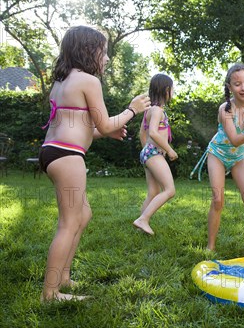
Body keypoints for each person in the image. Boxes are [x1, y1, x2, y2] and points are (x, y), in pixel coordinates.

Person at [39, 25, 150, 301]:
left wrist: (104, 133)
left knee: (82, 215)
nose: (107, 57)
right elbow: (104, 120)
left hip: (53, 152)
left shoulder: (62, 82)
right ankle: (50, 293)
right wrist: (131, 110)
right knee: (68, 222)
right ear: (88, 51)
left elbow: (82, 127)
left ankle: (63, 278)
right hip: (68, 157)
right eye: (104, 51)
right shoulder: (89, 81)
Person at [190, 64, 244, 258]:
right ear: (229, 87)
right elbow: (235, 139)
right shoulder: (225, 109)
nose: (243, 88)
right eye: (237, 84)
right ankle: (211, 246)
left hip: (238, 157)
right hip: (217, 154)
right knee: (218, 199)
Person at [133, 74, 178, 236]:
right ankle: (143, 219)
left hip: (148, 153)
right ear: (167, 90)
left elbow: (142, 134)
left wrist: (146, 151)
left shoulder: (150, 111)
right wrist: (168, 149)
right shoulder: (157, 110)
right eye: (172, 89)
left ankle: (141, 225)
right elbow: (152, 132)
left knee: (153, 192)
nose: (173, 91)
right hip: (153, 153)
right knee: (169, 190)